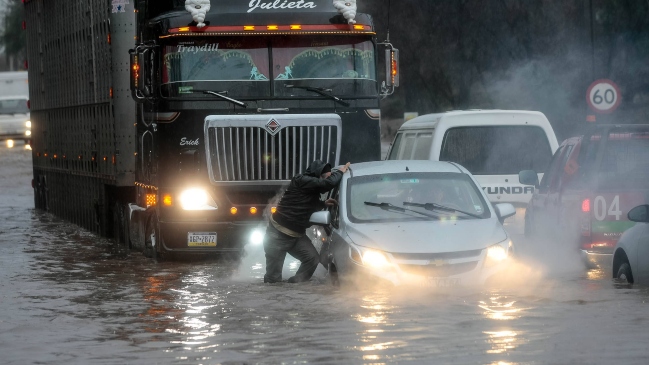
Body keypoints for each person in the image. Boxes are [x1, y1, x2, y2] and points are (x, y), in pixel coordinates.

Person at [264, 160, 350, 283]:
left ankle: (295, 286)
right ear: (318, 174)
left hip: (297, 235)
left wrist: (323, 203)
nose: (328, 178)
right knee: (272, 280)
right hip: (277, 235)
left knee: (312, 259)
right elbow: (328, 183)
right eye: (326, 175)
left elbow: (305, 204)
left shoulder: (310, 190)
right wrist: (340, 172)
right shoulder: (301, 180)